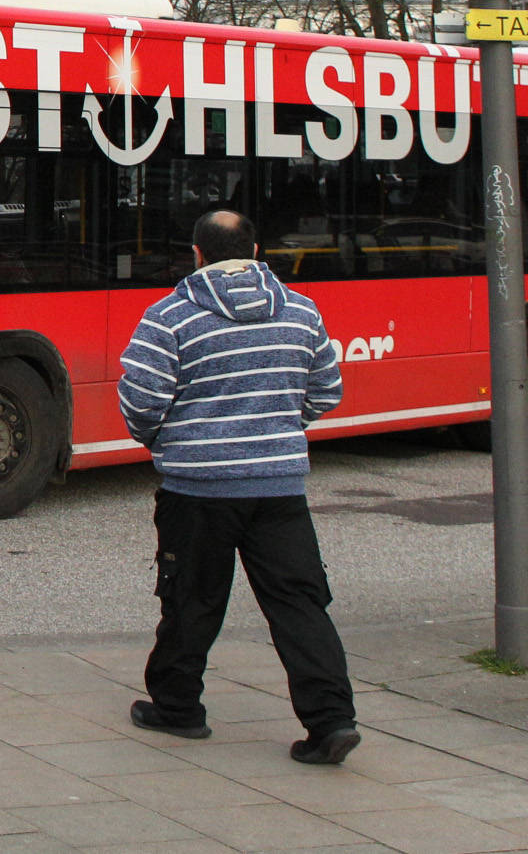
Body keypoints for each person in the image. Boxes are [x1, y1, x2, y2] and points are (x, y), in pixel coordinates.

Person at [118, 210, 358, 765]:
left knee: (191, 599)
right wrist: (275, 431)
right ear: (256, 250)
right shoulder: (301, 311)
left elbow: (141, 402)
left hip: (197, 490)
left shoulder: (169, 316)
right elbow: (326, 392)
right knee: (300, 605)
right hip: (279, 488)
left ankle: (178, 708)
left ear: (196, 254)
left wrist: (168, 442)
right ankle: (330, 722)